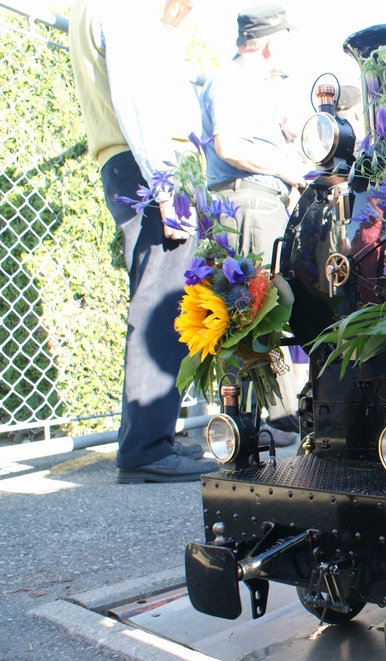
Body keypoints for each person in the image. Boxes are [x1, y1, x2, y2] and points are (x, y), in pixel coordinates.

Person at [68, 0, 219, 482]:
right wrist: (166, 184)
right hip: (152, 167)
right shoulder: (124, 7)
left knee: (163, 297)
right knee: (161, 303)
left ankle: (152, 436)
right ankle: (145, 449)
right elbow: (138, 96)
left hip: (137, 164)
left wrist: (168, 28)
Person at [200, 4, 309, 443]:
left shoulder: (251, 87)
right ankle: (255, 420)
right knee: (251, 308)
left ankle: (266, 417)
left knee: (262, 308)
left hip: (257, 201)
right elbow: (228, 145)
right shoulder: (231, 80)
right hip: (247, 201)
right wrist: (287, 169)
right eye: (284, 41)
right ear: (270, 43)